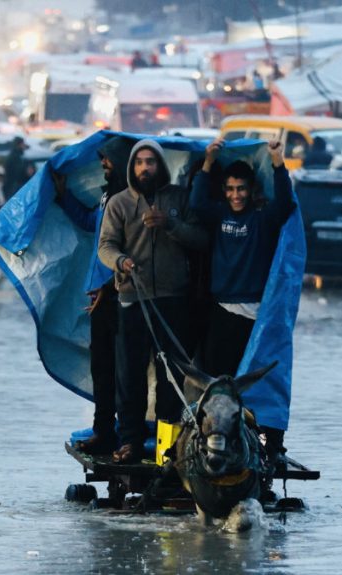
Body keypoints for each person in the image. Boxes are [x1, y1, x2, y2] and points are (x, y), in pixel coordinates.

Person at [98, 140, 207, 463]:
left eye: (151, 162)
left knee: (171, 377)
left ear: (160, 165)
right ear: (132, 168)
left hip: (173, 300)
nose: (145, 168)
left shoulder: (178, 199)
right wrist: (121, 262)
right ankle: (129, 441)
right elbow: (105, 246)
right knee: (130, 375)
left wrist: (170, 224)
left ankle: (167, 448)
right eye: (139, 163)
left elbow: (201, 238)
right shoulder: (119, 203)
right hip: (134, 299)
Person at [190, 138, 296, 464]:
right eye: (230, 189)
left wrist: (278, 162)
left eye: (241, 189)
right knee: (218, 383)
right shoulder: (218, 214)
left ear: (251, 190)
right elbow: (195, 204)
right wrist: (208, 162)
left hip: (254, 316)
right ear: (224, 190)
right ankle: (212, 442)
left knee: (255, 383)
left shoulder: (262, 218)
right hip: (222, 310)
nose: (236, 195)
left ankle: (270, 446)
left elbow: (286, 205)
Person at [52, 138, 132, 455]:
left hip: (119, 295)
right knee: (102, 366)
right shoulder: (107, 196)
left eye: (108, 159)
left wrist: (109, 288)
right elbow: (90, 223)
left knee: (120, 368)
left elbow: (131, 250)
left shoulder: (129, 201)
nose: (103, 164)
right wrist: (63, 197)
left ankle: (123, 435)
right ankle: (105, 431)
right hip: (101, 294)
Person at [3, 137, 30, 201]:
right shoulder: (15, 157)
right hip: (15, 187)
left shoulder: (18, 155)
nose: (24, 146)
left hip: (14, 187)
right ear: (19, 145)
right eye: (23, 144)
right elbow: (16, 173)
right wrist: (26, 172)